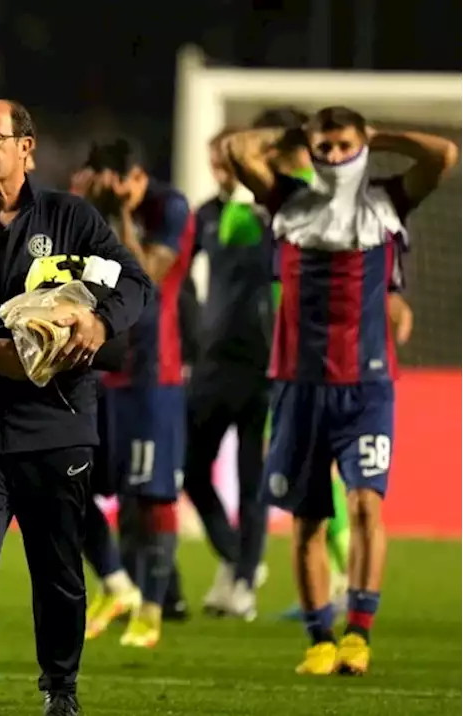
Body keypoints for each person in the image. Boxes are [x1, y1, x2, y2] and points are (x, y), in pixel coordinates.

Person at [0, 100, 150, 716]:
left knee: (58, 568)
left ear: (27, 148)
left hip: (56, 425)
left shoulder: (71, 220)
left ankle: (60, 692)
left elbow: (133, 284)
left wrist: (98, 321)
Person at [223, 108, 456, 675]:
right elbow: (236, 150)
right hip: (299, 386)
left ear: (362, 146)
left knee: (366, 505)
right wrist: (293, 138)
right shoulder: (289, 201)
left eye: (343, 146)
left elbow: (443, 155)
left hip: (367, 386)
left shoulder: (385, 202)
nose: (330, 157)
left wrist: (383, 136)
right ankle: (320, 640)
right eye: (321, 148)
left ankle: (359, 633)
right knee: (307, 521)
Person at [79, 139, 196, 649]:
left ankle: (151, 607)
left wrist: (120, 213)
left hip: (154, 376)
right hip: (100, 369)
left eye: (117, 184)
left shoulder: (169, 207)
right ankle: (116, 583)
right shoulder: (91, 209)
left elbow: (146, 274)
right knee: (73, 487)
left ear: (134, 177)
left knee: (150, 499)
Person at [182, 126, 275, 620]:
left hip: (264, 366)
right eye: (216, 160)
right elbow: (175, 275)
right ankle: (240, 558)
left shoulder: (276, 214)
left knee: (253, 479)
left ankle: (242, 584)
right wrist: (190, 331)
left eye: (230, 160)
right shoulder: (208, 215)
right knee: (192, 469)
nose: (222, 169)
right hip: (213, 363)